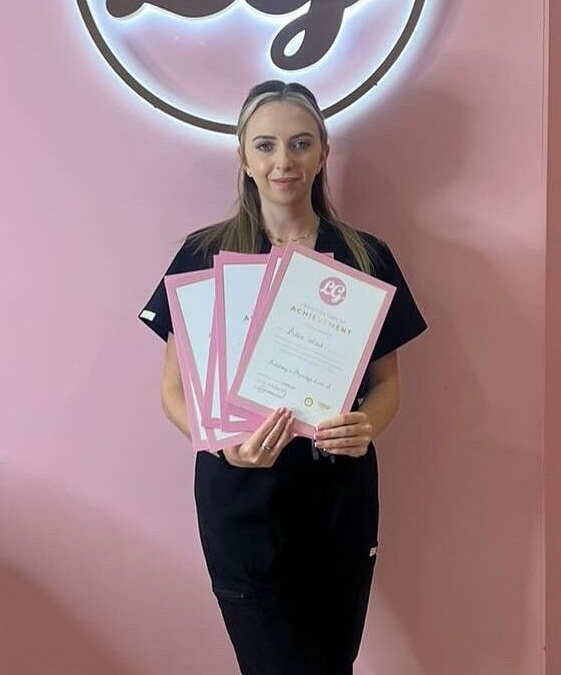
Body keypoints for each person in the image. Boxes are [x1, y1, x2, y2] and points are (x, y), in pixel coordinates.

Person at [139, 80, 427, 674]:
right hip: (241, 501)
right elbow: (172, 391)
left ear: (323, 153)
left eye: (300, 143)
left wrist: (365, 426)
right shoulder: (202, 255)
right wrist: (223, 444)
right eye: (265, 145)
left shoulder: (365, 256)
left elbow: (388, 386)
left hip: (337, 500)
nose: (283, 162)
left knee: (333, 665)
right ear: (243, 158)